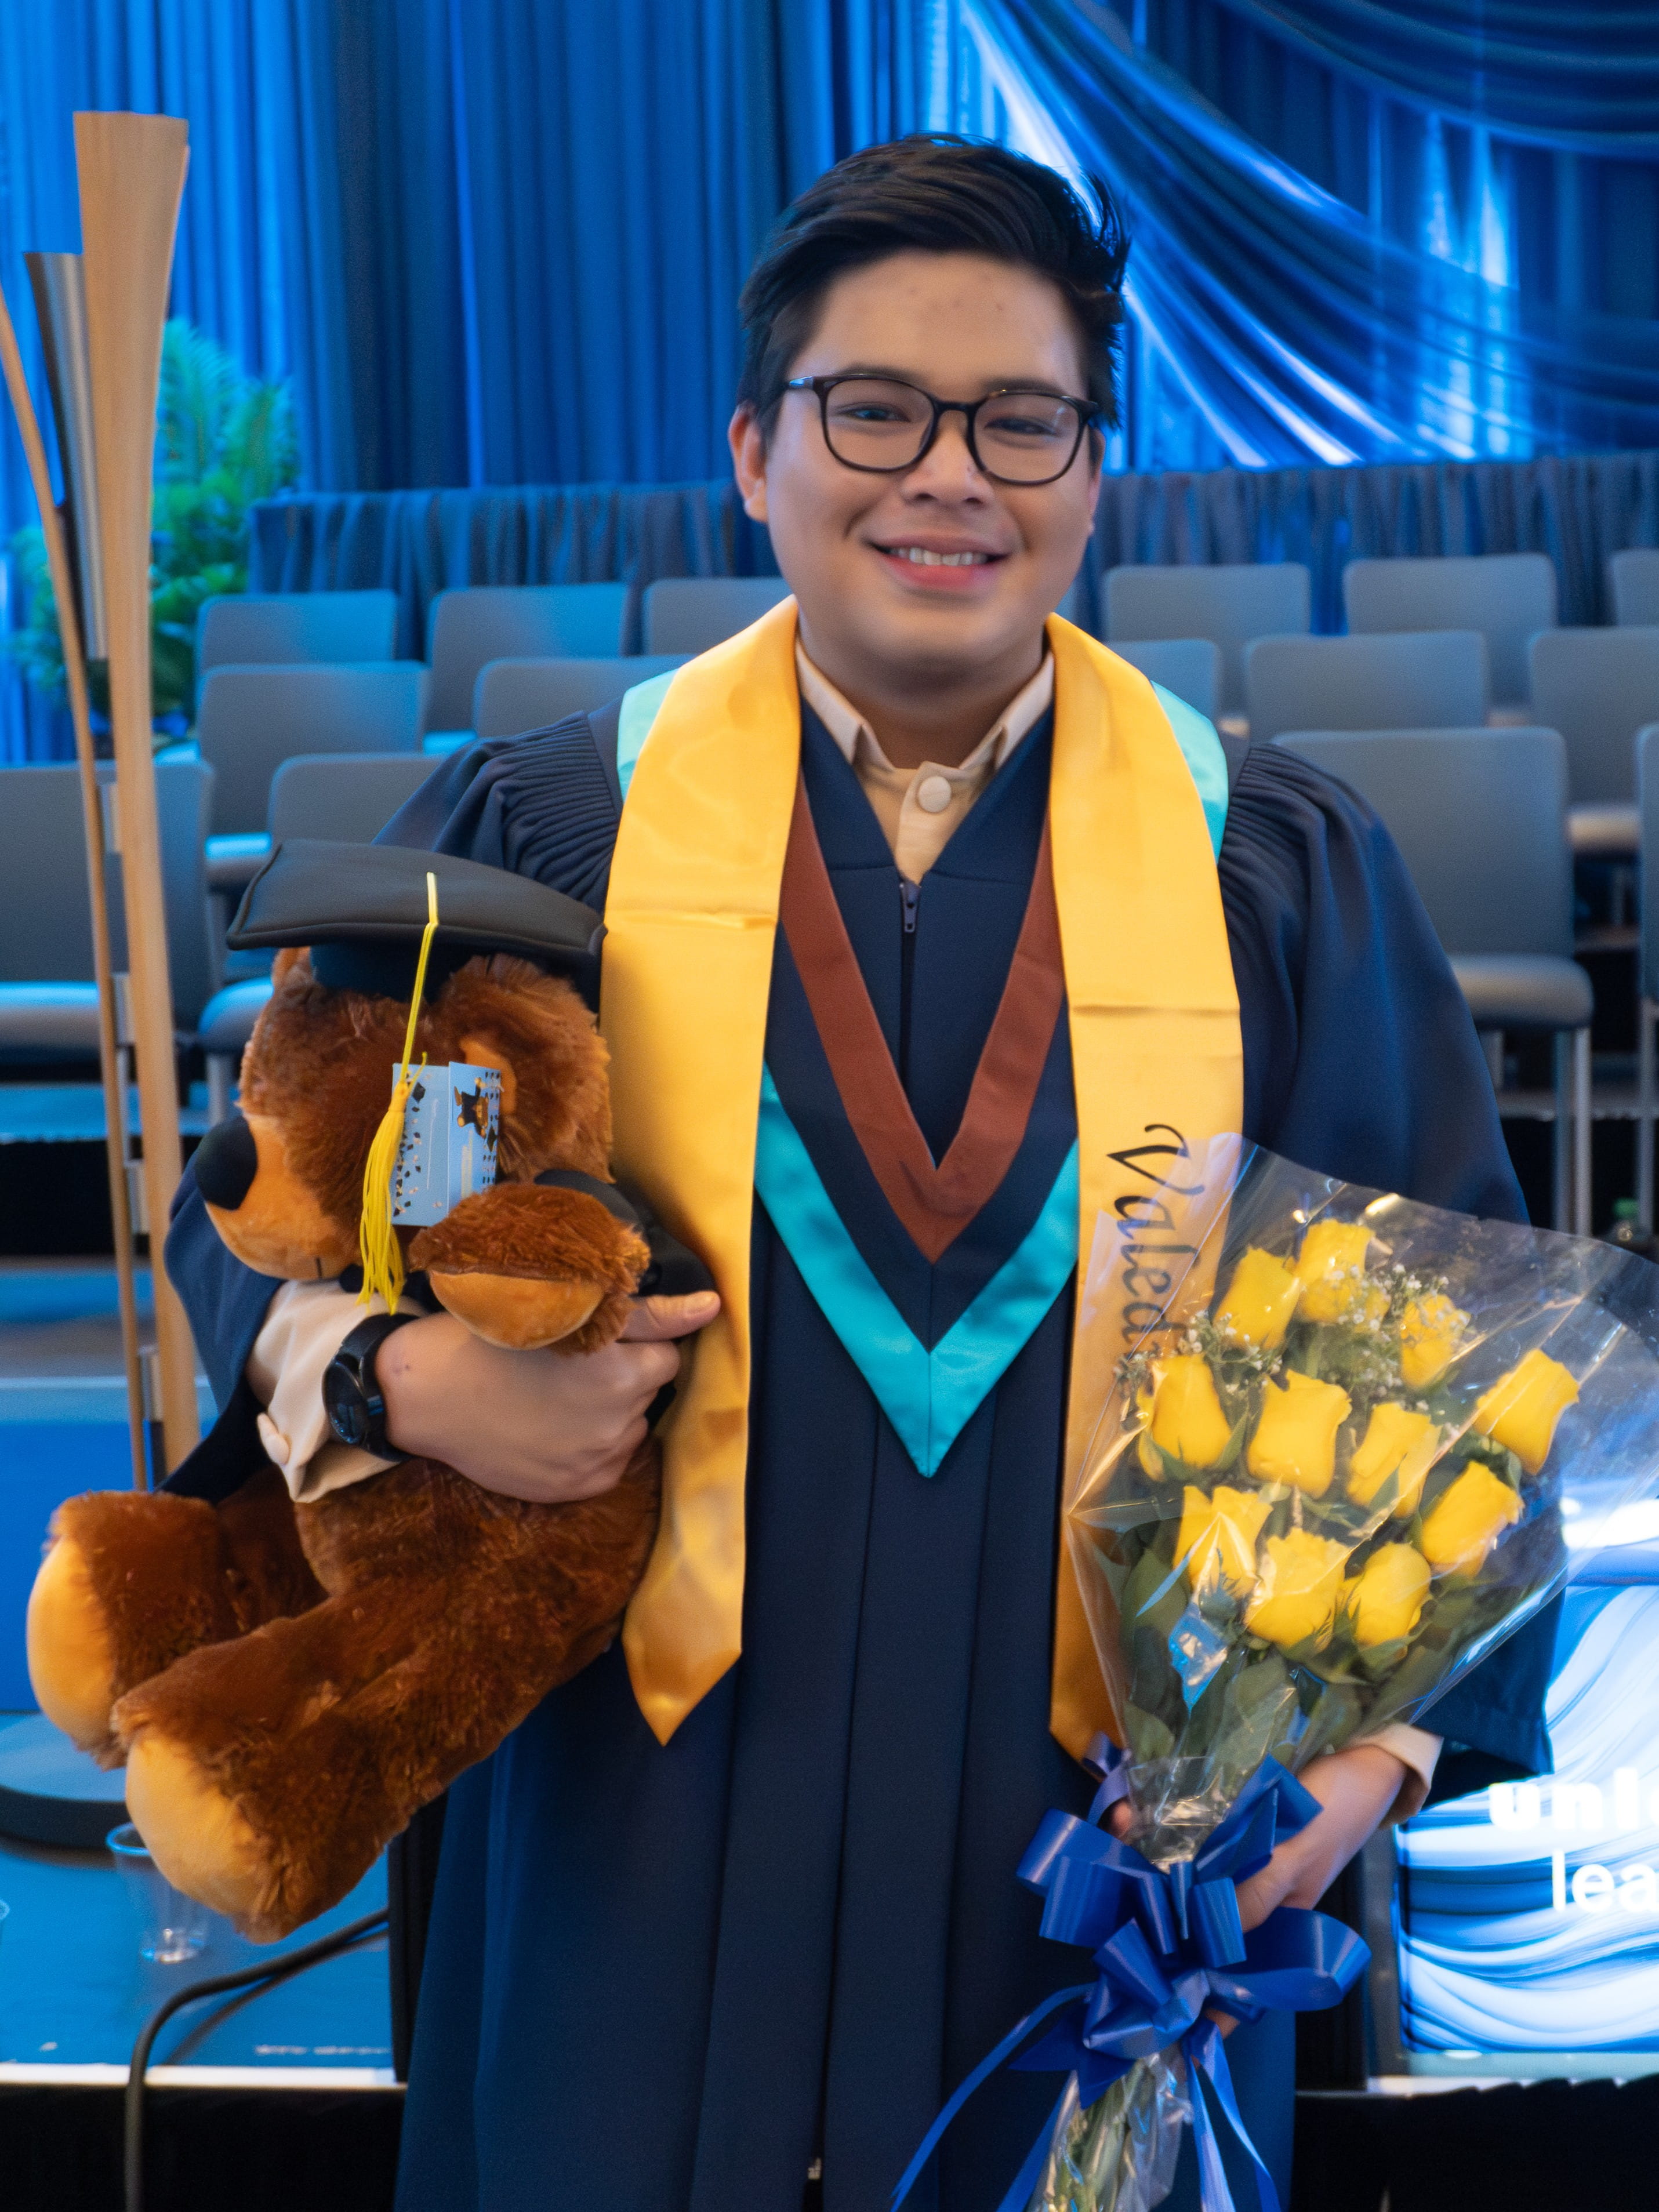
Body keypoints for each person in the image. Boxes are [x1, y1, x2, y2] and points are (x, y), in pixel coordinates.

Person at [165, 136, 1555, 2212]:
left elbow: (1453, 1347)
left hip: (1096, 1833)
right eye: (873, 409)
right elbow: (282, 1214)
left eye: (1022, 419)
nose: (949, 474)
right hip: (626, 1807)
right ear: (755, 449)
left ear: (1096, 468)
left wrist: (1361, 1762)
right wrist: (401, 1381)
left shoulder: (1273, 872)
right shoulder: (541, 849)